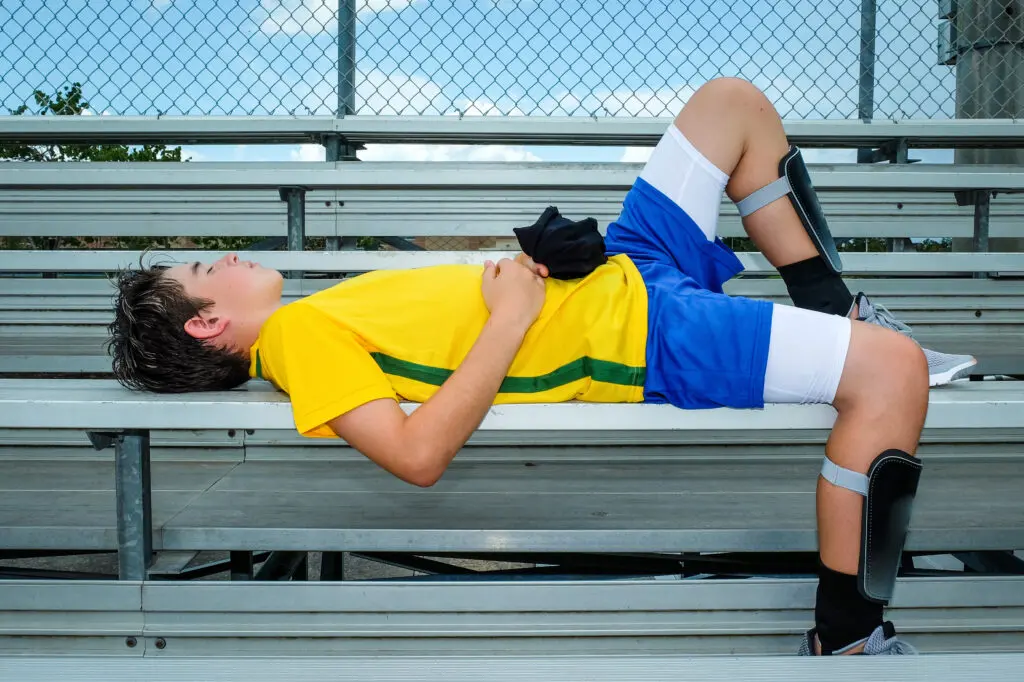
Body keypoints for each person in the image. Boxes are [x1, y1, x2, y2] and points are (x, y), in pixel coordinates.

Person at [108, 77, 976, 656]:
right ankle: (851, 634)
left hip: (620, 270)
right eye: (202, 270)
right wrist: (517, 315)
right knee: (893, 373)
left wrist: (545, 269)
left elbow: (461, 316)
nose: (220, 257)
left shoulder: (309, 315)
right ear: (211, 323)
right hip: (646, 333)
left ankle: (833, 306)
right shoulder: (295, 343)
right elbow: (416, 457)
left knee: (731, 105)